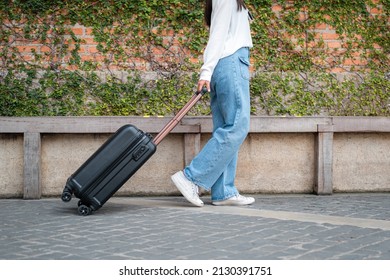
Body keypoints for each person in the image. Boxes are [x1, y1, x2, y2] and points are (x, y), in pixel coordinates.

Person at [171, 0, 255, 207]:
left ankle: (223, 191)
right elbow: (217, 35)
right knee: (237, 126)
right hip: (231, 63)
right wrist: (205, 72)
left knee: (226, 129)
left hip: (226, 65)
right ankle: (190, 177)